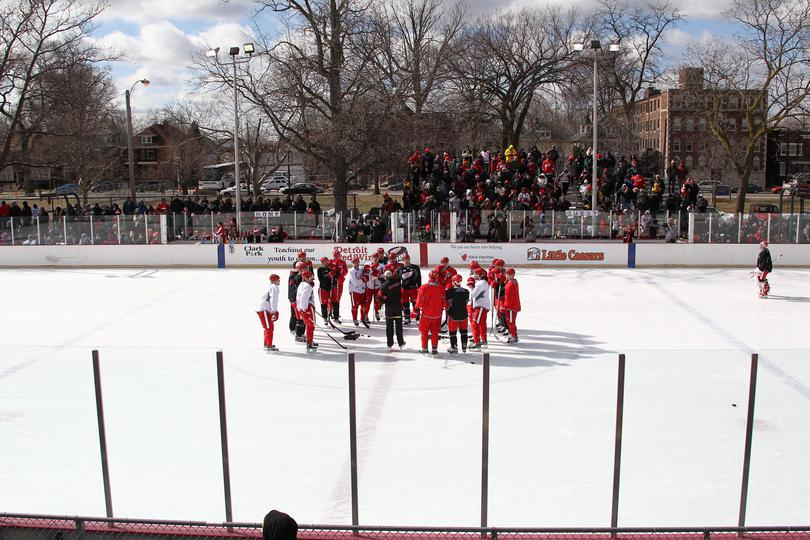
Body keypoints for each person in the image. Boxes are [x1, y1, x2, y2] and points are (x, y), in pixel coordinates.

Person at [414, 270, 445, 355]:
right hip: (437, 315)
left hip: (426, 315)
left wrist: (415, 309)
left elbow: (419, 301)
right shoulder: (441, 287)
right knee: (435, 332)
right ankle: (434, 349)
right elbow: (444, 301)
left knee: (424, 331)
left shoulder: (424, 287)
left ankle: (425, 348)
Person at [378, 270, 406, 351]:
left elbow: (379, 297)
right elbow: (403, 293)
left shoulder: (383, 285)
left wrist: (386, 301)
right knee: (399, 326)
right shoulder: (398, 282)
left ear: (385, 277)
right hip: (398, 307)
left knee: (389, 327)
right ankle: (401, 343)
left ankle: (389, 344)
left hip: (389, 308)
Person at [445, 274, 470, 354]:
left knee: (452, 332)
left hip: (453, 315)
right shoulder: (466, 291)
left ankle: (454, 347)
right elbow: (466, 301)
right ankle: (464, 346)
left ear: (453, 282)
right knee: (464, 331)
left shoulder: (449, 292)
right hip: (464, 314)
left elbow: (447, 302)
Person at [296, 270, 319, 352]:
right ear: (306, 278)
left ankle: (310, 341)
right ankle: (309, 343)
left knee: (310, 326)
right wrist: (306, 310)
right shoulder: (307, 286)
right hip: (307, 308)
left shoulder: (301, 284)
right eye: (311, 276)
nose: (312, 278)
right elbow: (304, 299)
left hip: (304, 308)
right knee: (311, 326)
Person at [257, 274, 281, 351]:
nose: (279, 281)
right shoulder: (274, 287)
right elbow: (274, 300)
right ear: (274, 280)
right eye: (278, 279)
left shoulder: (270, 286)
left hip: (264, 309)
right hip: (264, 309)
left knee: (269, 327)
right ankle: (269, 345)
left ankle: (267, 343)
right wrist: (274, 311)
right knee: (269, 327)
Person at [470, 268, 491, 350]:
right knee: (482, 324)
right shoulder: (484, 282)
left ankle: (477, 342)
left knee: (475, 325)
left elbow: (473, 294)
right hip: (482, 306)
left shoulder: (480, 283)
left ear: (480, 275)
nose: (475, 276)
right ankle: (483, 340)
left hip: (480, 307)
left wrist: (471, 287)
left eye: (476, 274)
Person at [398, 253, 421, 325]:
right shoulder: (400, 269)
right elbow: (398, 280)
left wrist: (419, 288)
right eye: (405, 260)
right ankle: (407, 318)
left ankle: (417, 318)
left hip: (413, 288)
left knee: (415, 304)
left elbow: (419, 278)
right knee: (405, 304)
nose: (407, 261)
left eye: (408, 259)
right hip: (404, 289)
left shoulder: (415, 267)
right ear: (403, 260)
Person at [502, 268, 521, 343]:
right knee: (511, 321)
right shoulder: (512, 282)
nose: (506, 275)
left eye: (508, 274)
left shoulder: (511, 284)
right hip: (513, 306)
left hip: (511, 307)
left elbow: (509, 298)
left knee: (510, 322)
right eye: (506, 274)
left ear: (512, 275)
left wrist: (505, 306)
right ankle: (514, 335)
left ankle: (514, 336)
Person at [347, 256, 368, 326]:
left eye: (357, 261)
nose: (356, 263)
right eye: (354, 262)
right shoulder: (351, 271)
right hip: (354, 291)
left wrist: (367, 273)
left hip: (362, 291)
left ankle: (362, 318)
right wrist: (363, 279)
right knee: (355, 306)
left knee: (363, 306)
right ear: (352, 263)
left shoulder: (362, 269)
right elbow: (355, 283)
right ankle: (355, 319)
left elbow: (368, 268)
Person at [288, 262, 305, 341]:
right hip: (296, 300)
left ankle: (297, 332)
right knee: (299, 318)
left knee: (297, 316)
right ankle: (298, 334)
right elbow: (297, 290)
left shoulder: (294, 275)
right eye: (303, 268)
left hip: (294, 300)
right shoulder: (298, 277)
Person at [330, 248, 348, 323]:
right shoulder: (331, 262)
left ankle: (336, 313)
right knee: (331, 298)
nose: (336, 256)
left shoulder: (343, 262)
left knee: (338, 298)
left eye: (337, 255)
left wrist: (340, 277)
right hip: (333, 283)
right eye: (335, 255)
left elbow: (345, 271)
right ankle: (330, 312)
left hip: (340, 283)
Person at [316, 257, 335, 323]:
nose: (327, 262)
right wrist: (328, 276)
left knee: (329, 303)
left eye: (327, 261)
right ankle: (324, 318)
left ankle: (328, 316)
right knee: (323, 304)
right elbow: (321, 279)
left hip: (329, 289)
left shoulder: (330, 269)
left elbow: (332, 279)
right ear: (322, 262)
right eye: (325, 261)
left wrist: (333, 281)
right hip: (323, 289)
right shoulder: (320, 269)